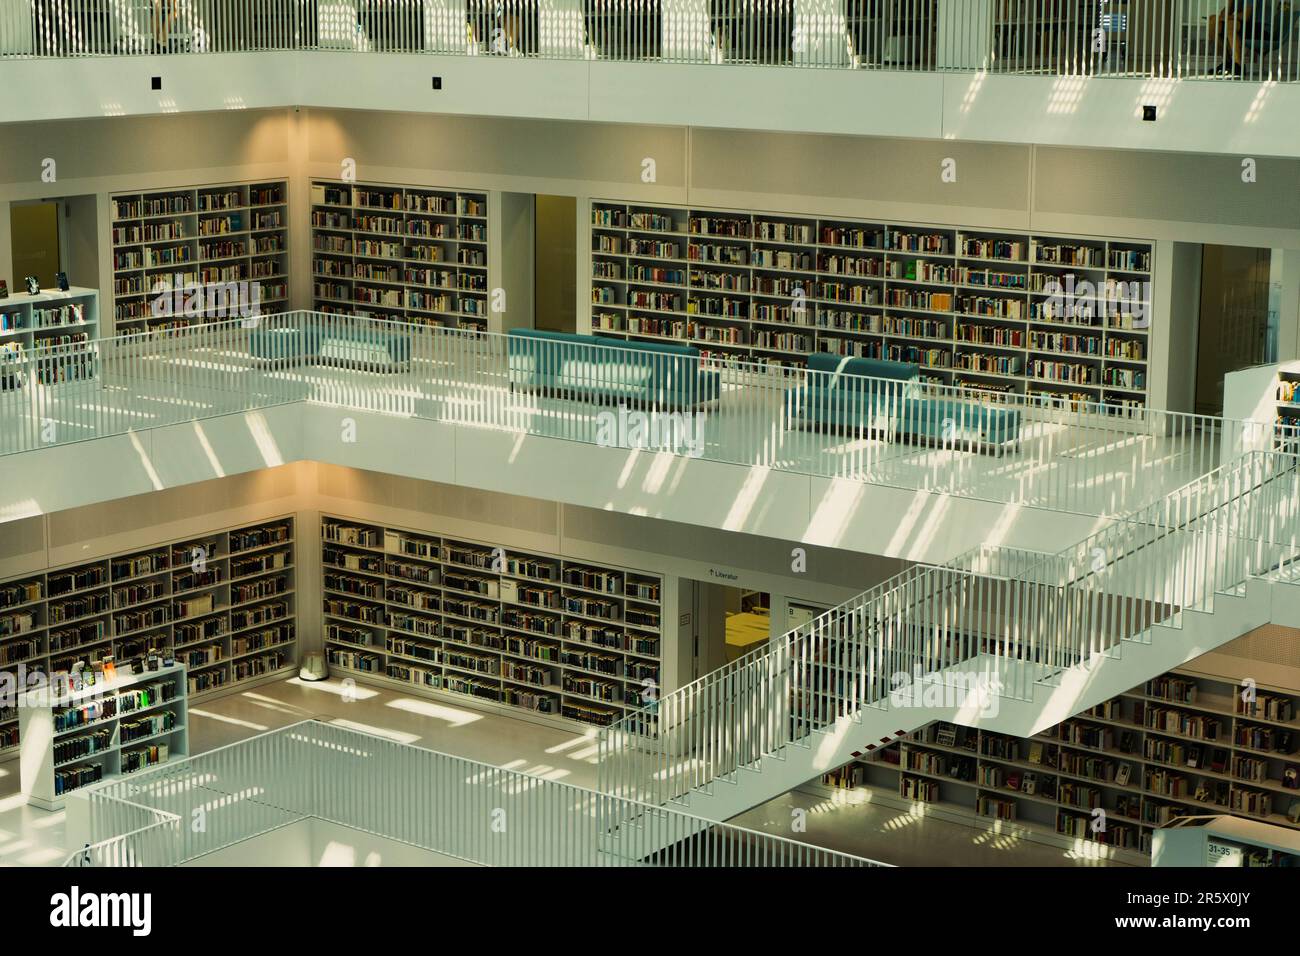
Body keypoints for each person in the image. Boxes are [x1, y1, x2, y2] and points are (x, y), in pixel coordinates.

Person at [1209, 0, 1258, 74]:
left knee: (1231, 24)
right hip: (1241, 24)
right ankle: (1228, 62)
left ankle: (1238, 65)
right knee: (1213, 21)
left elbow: (1246, 16)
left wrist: (1227, 17)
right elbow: (1223, 14)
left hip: (1257, 26)